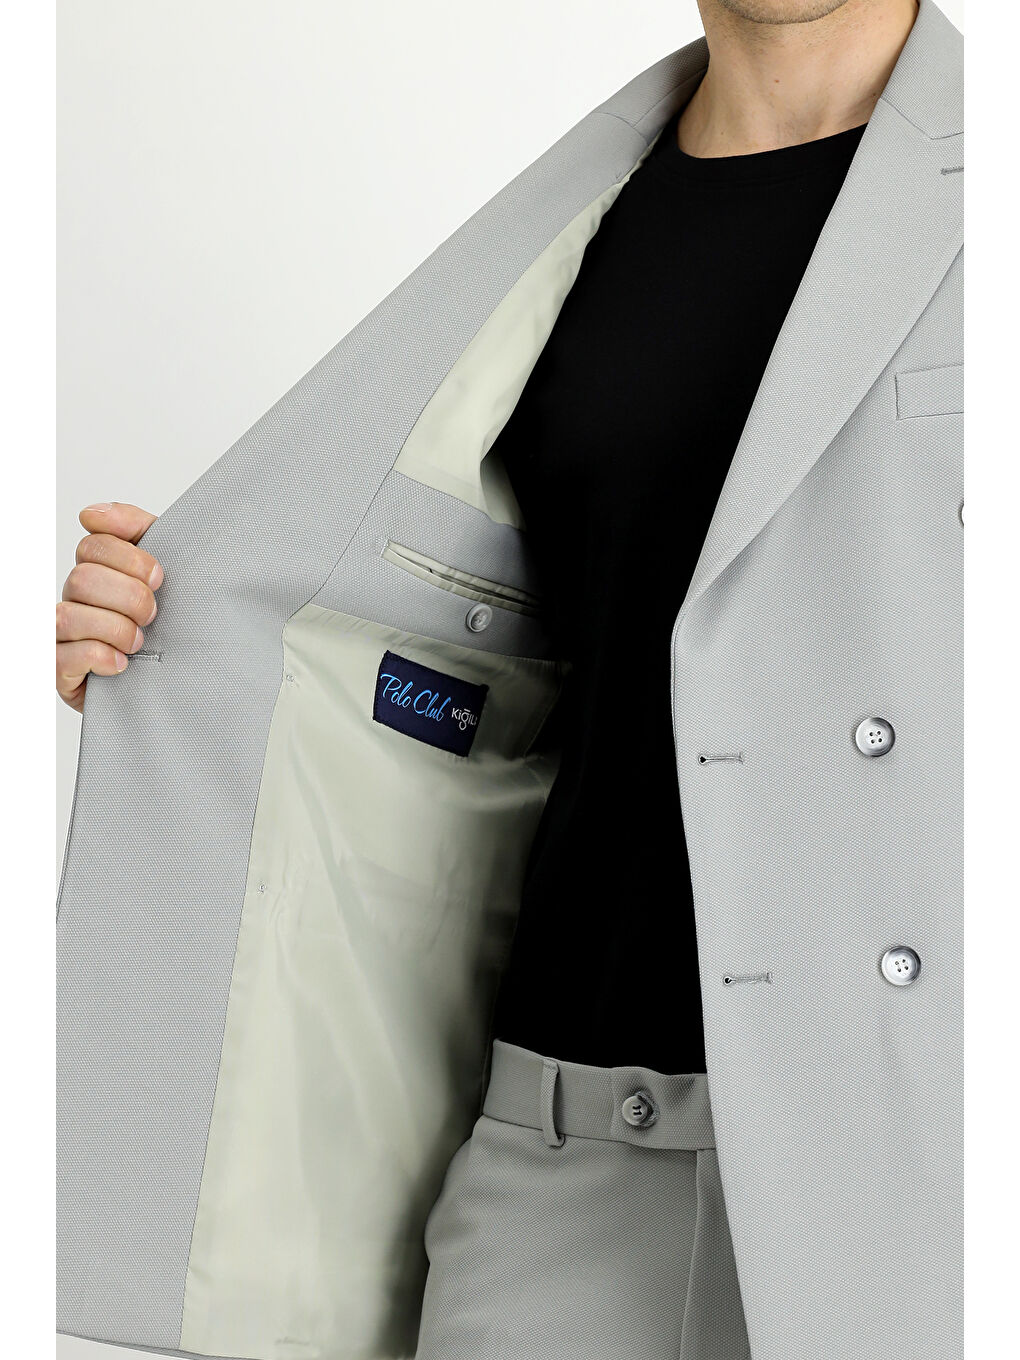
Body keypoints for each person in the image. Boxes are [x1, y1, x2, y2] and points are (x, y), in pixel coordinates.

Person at [56, 2, 963, 1358]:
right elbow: (456, 663)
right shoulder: (575, 231)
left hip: (910, 1149)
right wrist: (185, 646)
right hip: (556, 1145)